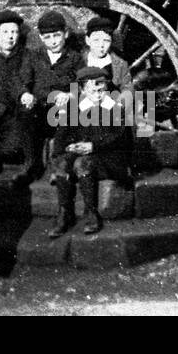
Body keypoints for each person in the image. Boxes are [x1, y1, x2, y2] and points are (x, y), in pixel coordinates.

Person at [46, 66, 135, 237]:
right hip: (85, 155)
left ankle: (91, 212)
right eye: (91, 88)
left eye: (100, 87)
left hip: (110, 160)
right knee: (63, 162)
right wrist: (67, 149)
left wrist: (93, 146)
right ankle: (64, 214)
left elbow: (119, 138)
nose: (97, 92)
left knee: (82, 163)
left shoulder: (115, 108)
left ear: (107, 88)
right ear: (82, 89)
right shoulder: (76, 108)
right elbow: (61, 136)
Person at [9, 8, 84, 181]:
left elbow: (83, 84)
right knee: (25, 112)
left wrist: (70, 95)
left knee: (70, 112)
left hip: (62, 112)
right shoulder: (34, 56)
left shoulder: (74, 58)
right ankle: (31, 165)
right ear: (42, 38)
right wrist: (24, 94)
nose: (53, 41)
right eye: (47, 37)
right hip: (40, 110)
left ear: (65, 34)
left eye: (56, 35)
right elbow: (21, 80)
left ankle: (58, 167)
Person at [84, 16, 133, 94]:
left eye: (106, 41)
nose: (101, 45)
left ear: (111, 42)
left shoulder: (120, 65)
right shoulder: (78, 60)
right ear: (88, 40)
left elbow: (127, 89)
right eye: (96, 40)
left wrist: (119, 103)